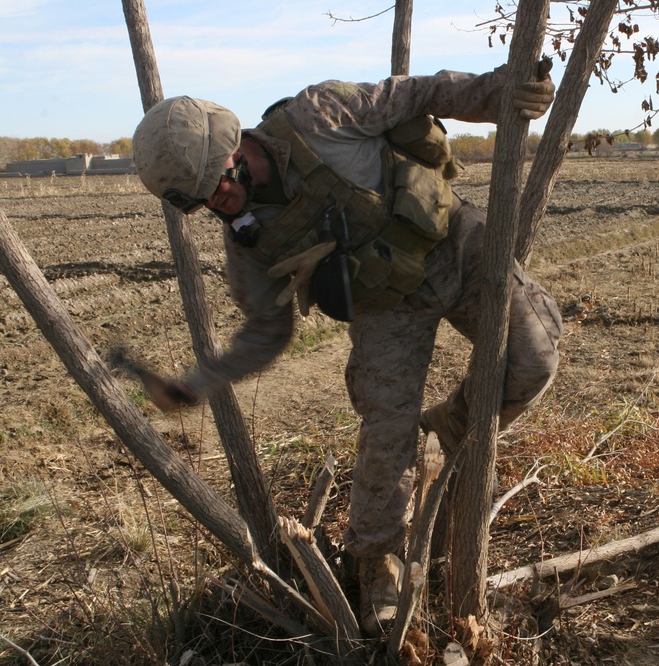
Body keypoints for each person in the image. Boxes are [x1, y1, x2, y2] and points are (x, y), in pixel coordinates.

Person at [131, 64, 563, 636]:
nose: (221, 199)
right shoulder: (250, 244)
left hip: (455, 244)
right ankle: (378, 563)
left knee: (533, 360)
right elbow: (267, 330)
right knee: (386, 429)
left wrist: (502, 93)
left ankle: (446, 433)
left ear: (235, 144)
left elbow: (420, 93)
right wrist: (196, 384)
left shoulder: (319, 116)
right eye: (200, 201)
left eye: (222, 179)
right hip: (388, 307)